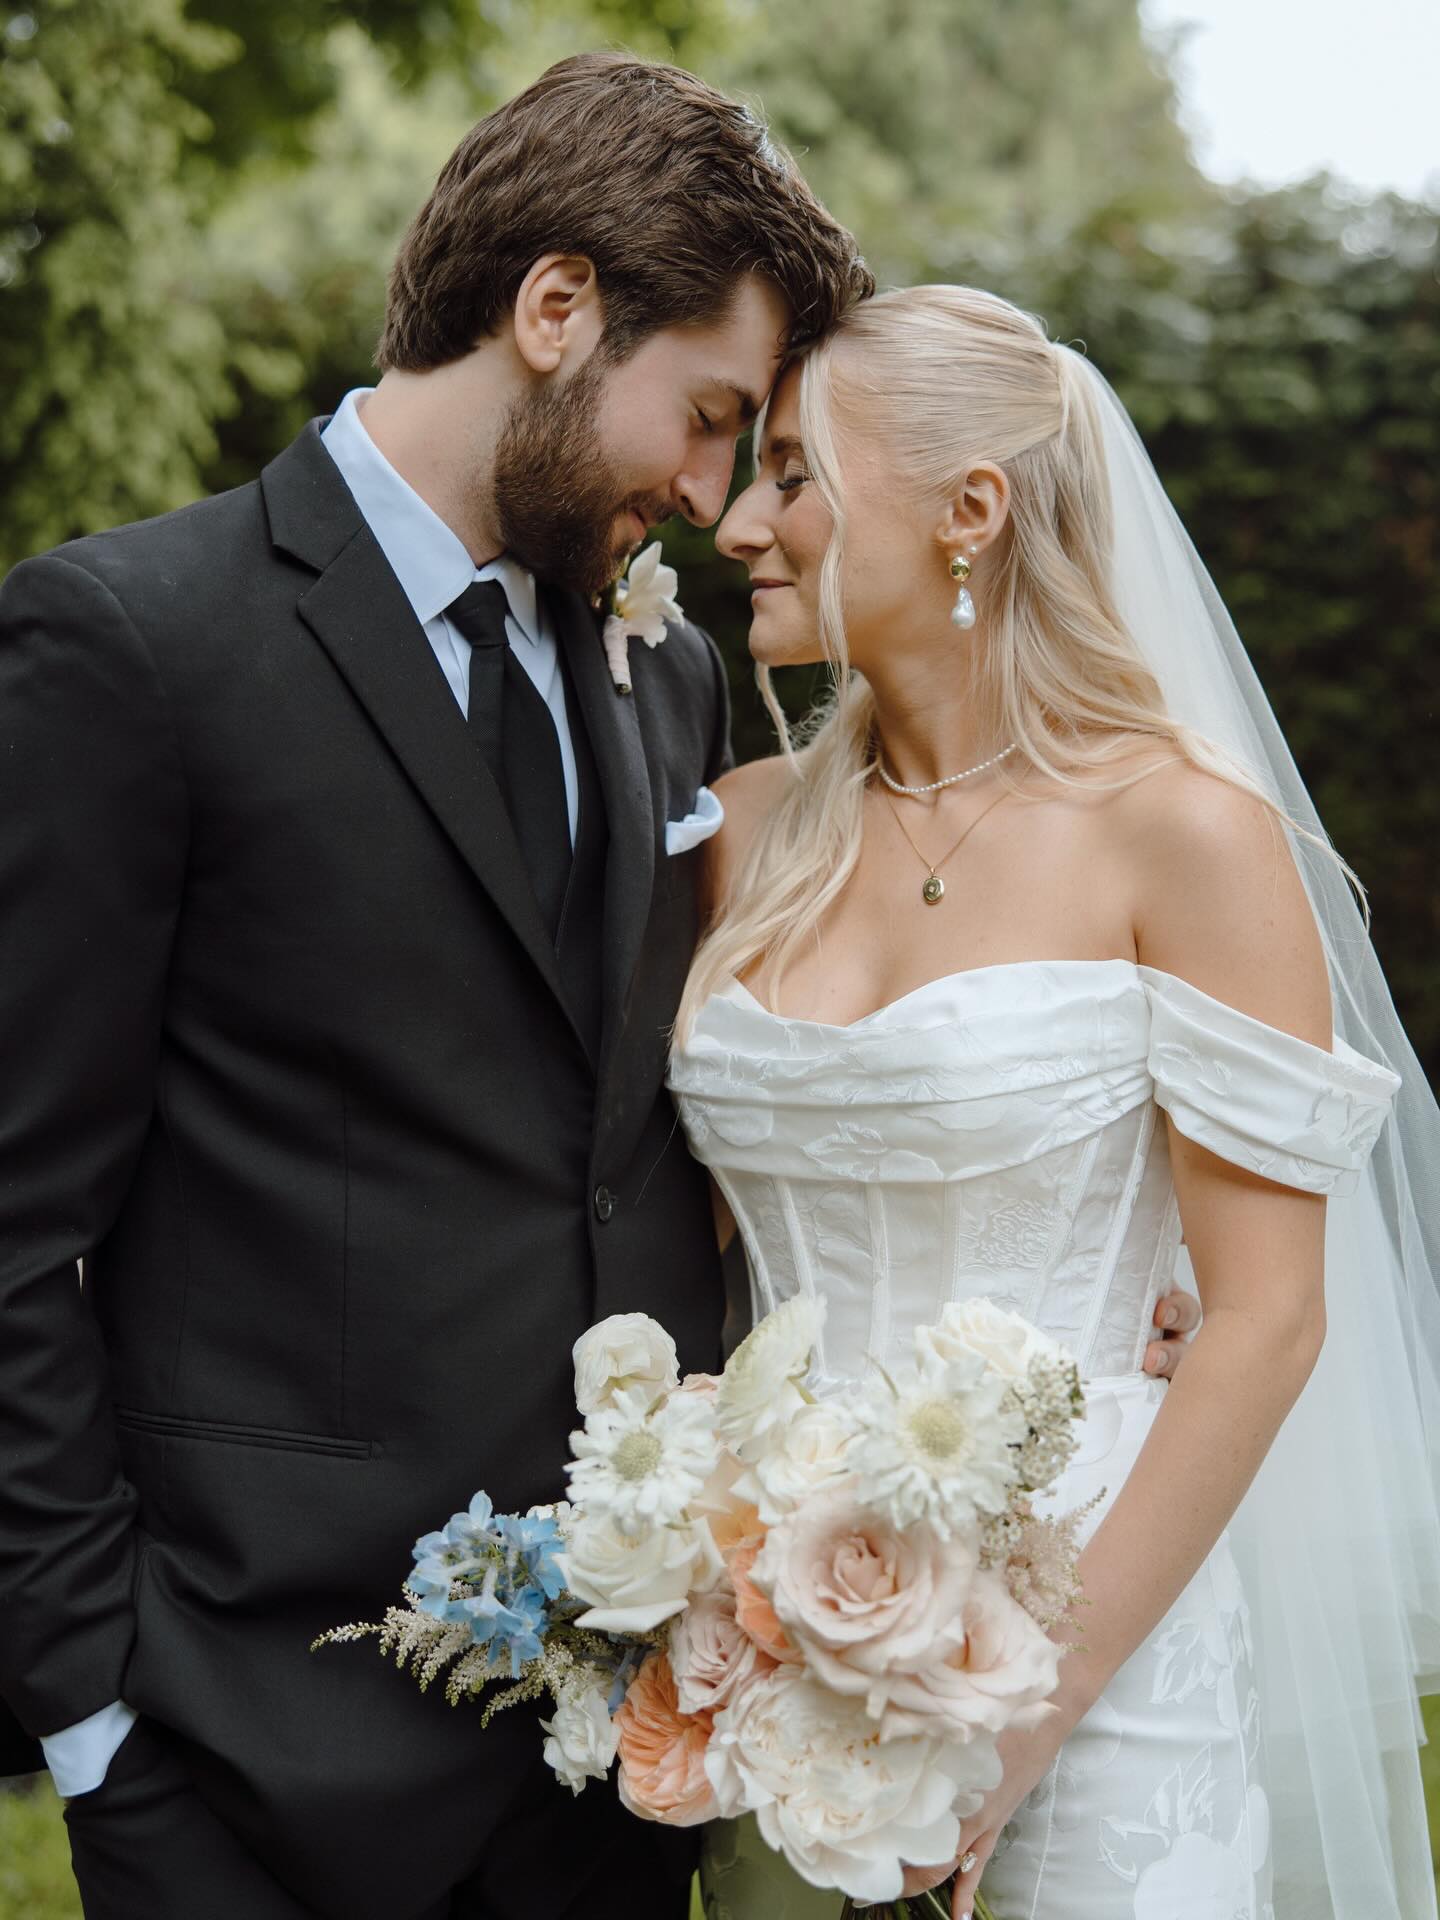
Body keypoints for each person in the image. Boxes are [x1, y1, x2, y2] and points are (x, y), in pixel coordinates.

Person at [0, 52, 875, 1920]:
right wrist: (97, 1717)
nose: (718, 500)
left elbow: (671, 1140)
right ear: (555, 308)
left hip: (607, 1775)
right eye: (709, 416)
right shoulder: (134, 646)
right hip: (247, 1757)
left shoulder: (667, 687)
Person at [668, 285, 1440, 1919]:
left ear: (970, 510)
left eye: (795, 475)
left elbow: (1264, 1321)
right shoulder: (740, 831)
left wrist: (1020, 1731)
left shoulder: (1183, 840)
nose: (742, 522)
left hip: (1105, 1668)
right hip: (779, 1662)